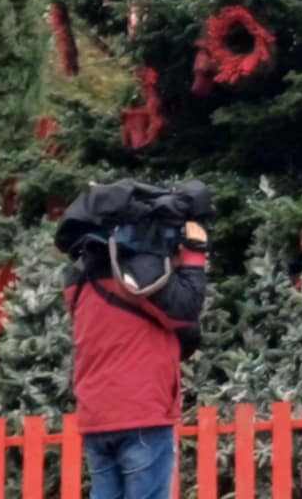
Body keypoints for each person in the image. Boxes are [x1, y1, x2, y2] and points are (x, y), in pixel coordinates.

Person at [66, 212, 209, 499]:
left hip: (96, 415)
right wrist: (194, 255)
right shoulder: (142, 275)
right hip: (142, 414)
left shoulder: (79, 280)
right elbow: (185, 314)